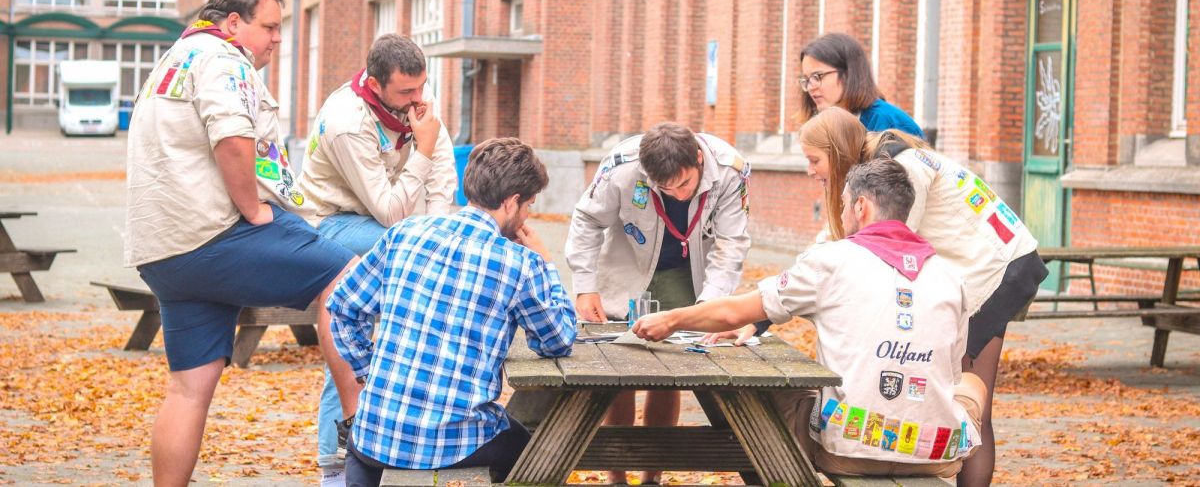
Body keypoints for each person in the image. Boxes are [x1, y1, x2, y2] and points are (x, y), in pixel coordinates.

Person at [722, 107, 1045, 486]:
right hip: (994, 267)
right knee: (959, 395)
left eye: (814, 160)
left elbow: (881, 255)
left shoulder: (900, 171)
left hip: (997, 273)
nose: (810, 171)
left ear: (838, 152)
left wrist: (771, 311)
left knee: (967, 399)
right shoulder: (876, 172)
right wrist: (761, 313)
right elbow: (828, 248)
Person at [123, 0, 357, 485]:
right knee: (348, 277)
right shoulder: (224, 59)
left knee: (188, 390)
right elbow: (232, 139)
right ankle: (360, 430)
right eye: (270, 27)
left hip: (165, 252)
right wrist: (253, 209)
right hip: (215, 234)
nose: (276, 39)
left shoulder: (176, 57)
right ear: (233, 23)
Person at [633, 158, 987, 477]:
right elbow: (952, 374)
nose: (843, 213)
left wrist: (672, 320)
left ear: (861, 206)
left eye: (844, 205)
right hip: (934, 452)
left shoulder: (831, 261)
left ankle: (781, 472)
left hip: (849, 450)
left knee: (772, 388)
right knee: (973, 385)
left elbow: (731, 313)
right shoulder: (951, 276)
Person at [327, 137, 577, 487]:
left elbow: (341, 307)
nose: (526, 215)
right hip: (453, 441)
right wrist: (546, 262)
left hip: (373, 436)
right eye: (528, 206)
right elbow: (558, 340)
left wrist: (367, 370)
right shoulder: (520, 263)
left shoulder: (405, 233)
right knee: (538, 460)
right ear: (511, 202)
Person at [295, 33, 457, 486]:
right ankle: (334, 466)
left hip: (394, 225)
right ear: (377, 83)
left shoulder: (416, 97)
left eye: (421, 87)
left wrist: (438, 232)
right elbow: (389, 210)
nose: (418, 99)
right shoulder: (348, 121)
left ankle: (401, 445)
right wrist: (421, 147)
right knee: (348, 332)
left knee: (372, 335)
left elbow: (443, 170)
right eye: (406, 92)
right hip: (335, 224)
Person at [564, 122, 751, 485]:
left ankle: (652, 476)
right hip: (627, 268)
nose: (678, 196)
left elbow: (731, 244)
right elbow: (587, 219)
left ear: (699, 158)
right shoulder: (621, 167)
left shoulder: (731, 170)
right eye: (665, 189)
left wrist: (709, 306)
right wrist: (585, 286)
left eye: (684, 184)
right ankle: (617, 477)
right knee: (618, 375)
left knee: (670, 376)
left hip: (688, 272)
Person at [797, 33, 924, 138]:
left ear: (848, 73)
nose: (810, 87)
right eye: (807, 80)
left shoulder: (885, 123)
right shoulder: (835, 123)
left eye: (817, 76)